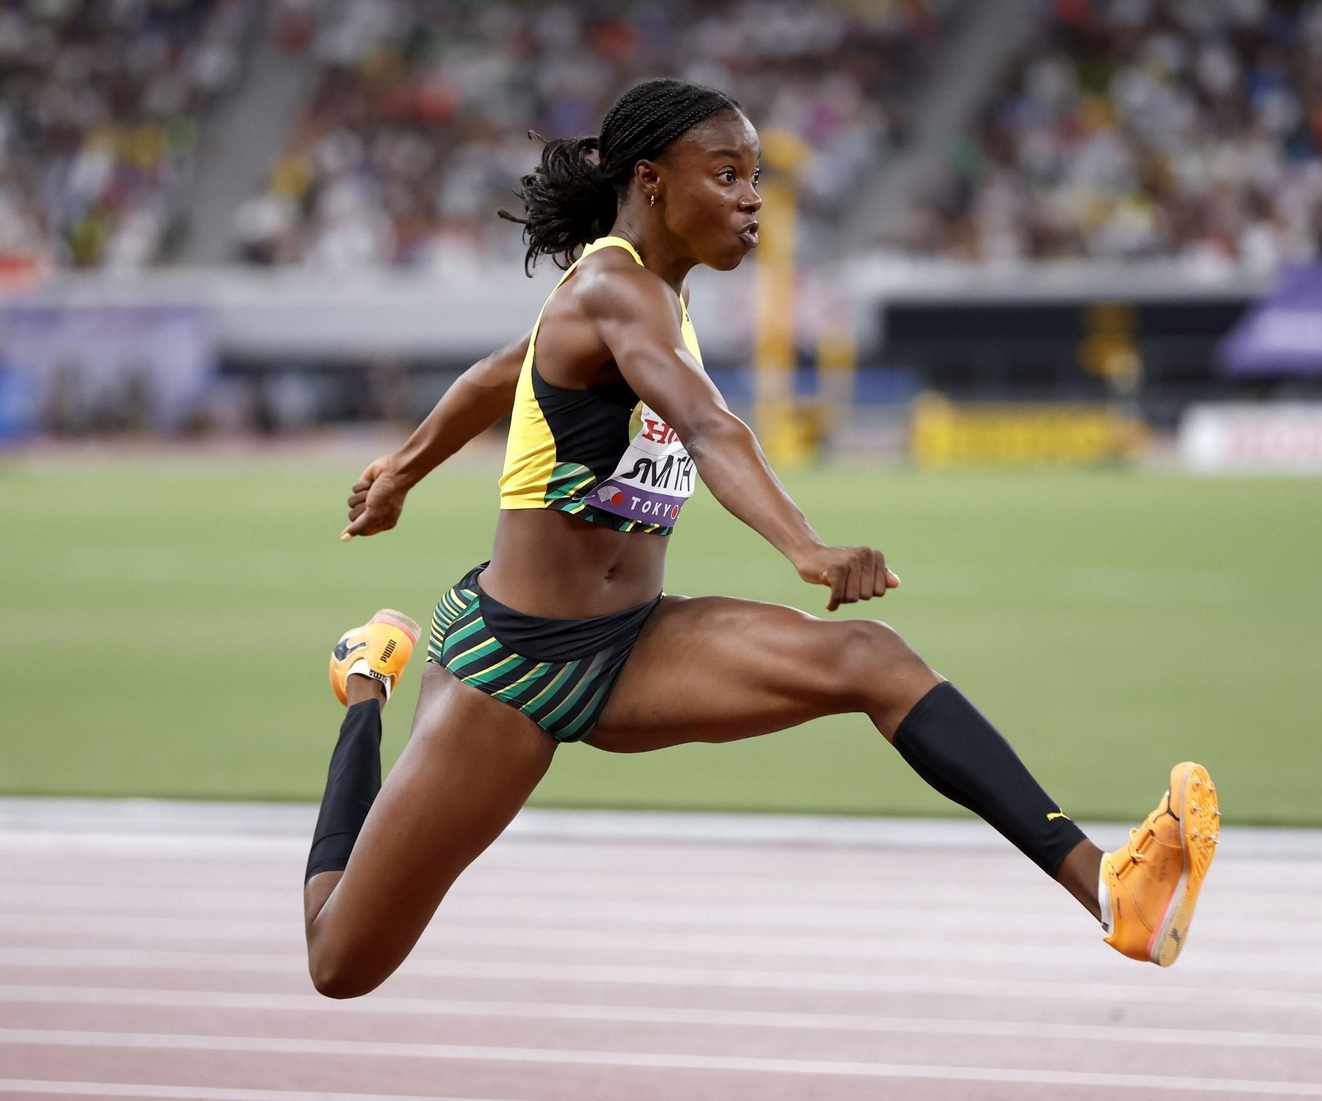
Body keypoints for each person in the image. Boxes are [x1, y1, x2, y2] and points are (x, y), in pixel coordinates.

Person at [304, 78, 1219, 1000]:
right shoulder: (615, 287)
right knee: (341, 959)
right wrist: (806, 548)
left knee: (871, 659)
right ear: (653, 180)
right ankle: (368, 679)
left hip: (630, 644)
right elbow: (708, 428)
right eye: (728, 174)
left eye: (758, 177)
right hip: (514, 665)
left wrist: (400, 471)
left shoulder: (647, 296)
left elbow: (495, 375)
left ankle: (1112, 889)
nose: (753, 199)